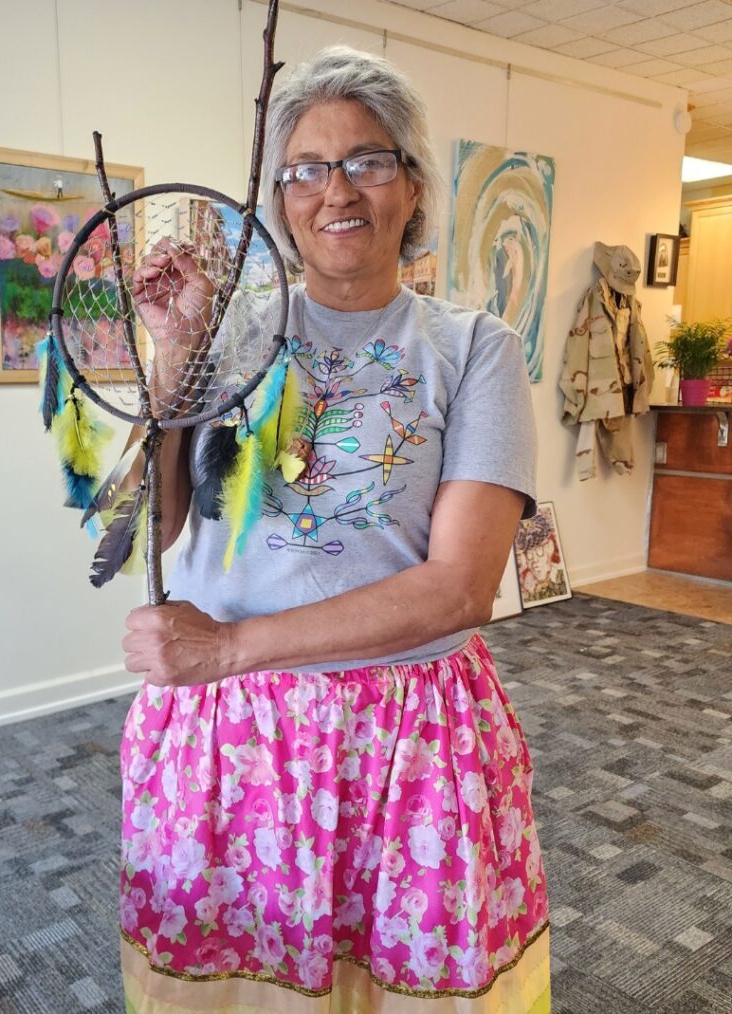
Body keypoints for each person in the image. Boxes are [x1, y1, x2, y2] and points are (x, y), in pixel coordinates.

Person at [118, 46, 550, 1014]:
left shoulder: (473, 349)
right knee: (232, 978)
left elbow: (459, 587)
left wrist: (231, 646)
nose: (337, 190)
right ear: (281, 198)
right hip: (230, 735)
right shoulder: (228, 335)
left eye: (367, 160)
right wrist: (175, 353)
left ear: (412, 186)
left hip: (405, 735)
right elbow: (158, 522)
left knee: (401, 978)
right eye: (307, 169)